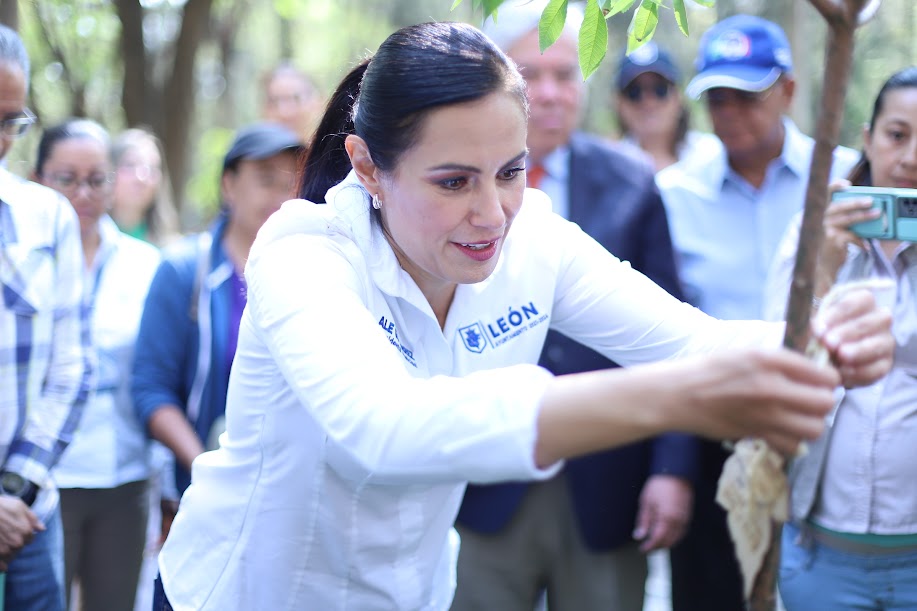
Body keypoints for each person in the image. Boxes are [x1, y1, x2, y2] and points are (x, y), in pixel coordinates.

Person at [150, 22, 895, 610]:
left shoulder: (533, 237)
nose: (489, 213)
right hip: (250, 593)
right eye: (452, 181)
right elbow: (386, 425)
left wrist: (810, 344)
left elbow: (691, 342)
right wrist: (678, 398)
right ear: (369, 166)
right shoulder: (304, 251)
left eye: (509, 172)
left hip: (411, 593)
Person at [453, 4, 695, 609]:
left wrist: (673, 468)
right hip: (483, 479)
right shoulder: (445, 183)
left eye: (567, 76)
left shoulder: (632, 182)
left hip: (605, 479)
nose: (552, 95)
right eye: (532, 76)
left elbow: (672, 334)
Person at [655, 15, 862, 611]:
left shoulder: (848, 180)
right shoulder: (674, 195)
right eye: (717, 99)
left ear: (789, 91)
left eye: (748, 97)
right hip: (716, 435)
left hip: (830, 431)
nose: (731, 114)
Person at [765, 66, 917, 611]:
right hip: (820, 552)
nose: (911, 157)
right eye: (897, 135)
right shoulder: (814, 229)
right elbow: (773, 357)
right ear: (868, 137)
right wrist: (823, 265)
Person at [132, 122, 302, 538]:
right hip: (199, 495)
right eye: (265, 180)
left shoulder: (307, 274)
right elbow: (150, 389)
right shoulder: (183, 272)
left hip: (286, 497)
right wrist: (205, 467)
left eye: (291, 182)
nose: (280, 197)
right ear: (229, 185)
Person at [33, 119, 160, 611]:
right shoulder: (21, 263)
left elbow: (156, 376)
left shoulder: (145, 266)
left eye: (97, 179)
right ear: (38, 179)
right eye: (66, 179)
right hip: (44, 480)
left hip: (124, 478)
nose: (82, 194)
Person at [0, 24, 91, 611]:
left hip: (25, 515)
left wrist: (12, 492)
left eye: (10, 121)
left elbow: (70, 368)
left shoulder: (46, 217)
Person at [613, 41, 720, 173]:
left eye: (660, 90)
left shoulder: (712, 155)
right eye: (634, 92)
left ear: (678, 97)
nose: (648, 102)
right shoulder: (610, 168)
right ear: (619, 102)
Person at [110, 127, 180, 246]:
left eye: (152, 168)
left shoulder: (171, 247)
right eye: (130, 165)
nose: (141, 178)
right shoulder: (91, 236)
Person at [261, 62, 323, 143]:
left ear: (318, 103)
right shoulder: (251, 154)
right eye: (274, 102)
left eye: (296, 99)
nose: (285, 112)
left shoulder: (337, 151)